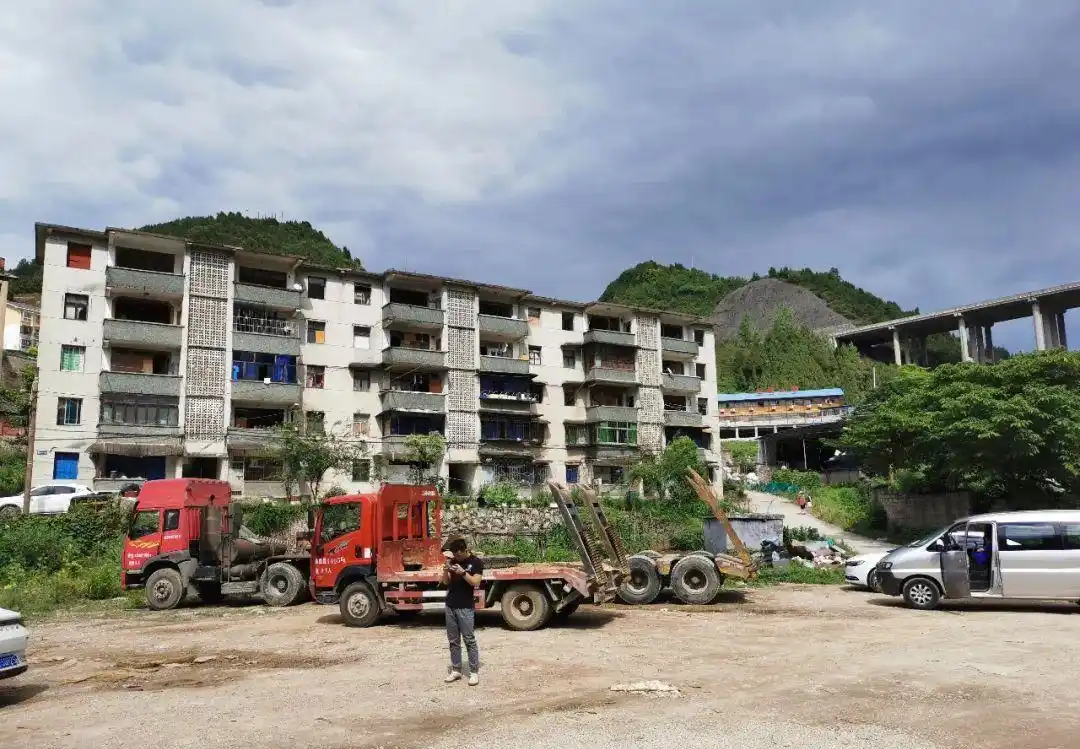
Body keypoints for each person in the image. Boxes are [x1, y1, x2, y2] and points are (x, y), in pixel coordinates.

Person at [441, 536, 483, 686]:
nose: (457, 557)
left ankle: (474, 672)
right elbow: (445, 582)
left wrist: (463, 573)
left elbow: (476, 582)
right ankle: (456, 669)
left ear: (465, 550)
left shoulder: (476, 562)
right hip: (450, 605)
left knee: (469, 640)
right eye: (455, 555)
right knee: (453, 641)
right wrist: (446, 570)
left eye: (459, 554)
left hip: (465, 606)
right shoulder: (453, 561)